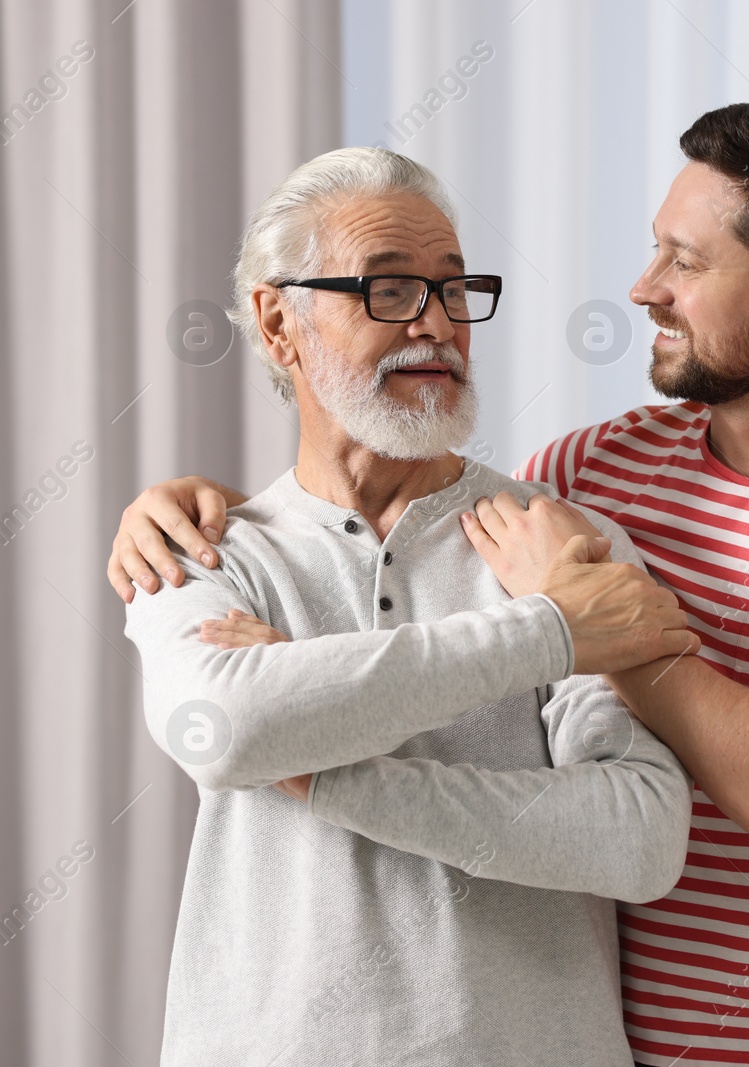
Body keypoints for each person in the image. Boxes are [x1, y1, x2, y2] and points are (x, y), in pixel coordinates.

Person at [110, 103, 749, 1067]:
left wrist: (583, 631)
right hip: (641, 1041)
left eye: (686, 261)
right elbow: (398, 524)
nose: (644, 289)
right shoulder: (595, 471)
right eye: (654, 251)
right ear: (276, 318)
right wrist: (201, 511)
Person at [119, 146, 697, 1067]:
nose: (436, 324)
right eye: (389, 290)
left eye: (454, 289)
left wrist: (319, 771)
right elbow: (218, 727)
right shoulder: (200, 547)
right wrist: (544, 633)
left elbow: (638, 838)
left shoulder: (559, 546)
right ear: (279, 321)